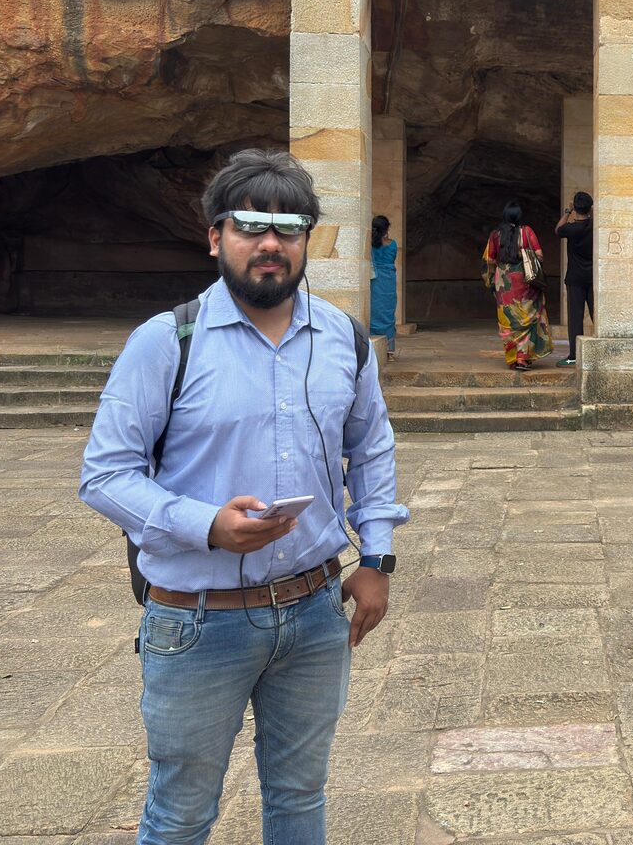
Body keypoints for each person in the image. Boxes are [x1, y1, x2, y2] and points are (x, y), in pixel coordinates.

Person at [80, 149, 409, 845]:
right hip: (200, 621)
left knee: (299, 798)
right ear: (214, 236)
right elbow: (105, 473)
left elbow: (372, 449)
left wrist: (377, 557)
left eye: (288, 228)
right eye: (249, 225)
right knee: (181, 812)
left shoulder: (343, 340)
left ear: (307, 241)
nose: (269, 243)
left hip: (317, 612)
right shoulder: (167, 342)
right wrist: (206, 526)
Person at [482, 200, 553, 370]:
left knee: (509, 319)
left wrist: (491, 279)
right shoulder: (527, 231)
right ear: (519, 216)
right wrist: (522, 252)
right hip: (524, 281)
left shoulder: (495, 235)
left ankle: (514, 357)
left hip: (503, 283)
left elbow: (489, 260)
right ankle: (523, 357)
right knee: (528, 316)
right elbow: (539, 255)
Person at [554, 190, 594, 367]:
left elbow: (557, 229)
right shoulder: (594, 226)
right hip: (593, 278)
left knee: (575, 318)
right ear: (590, 208)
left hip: (575, 279)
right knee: (597, 315)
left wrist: (567, 212)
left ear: (576, 208)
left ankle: (574, 355)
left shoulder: (571, 229)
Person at [370, 214, 398, 359]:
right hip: (388, 281)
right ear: (386, 229)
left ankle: (373, 342)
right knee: (388, 312)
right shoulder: (392, 244)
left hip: (374, 280)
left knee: (374, 310)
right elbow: (392, 259)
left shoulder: (370, 245)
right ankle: (389, 350)